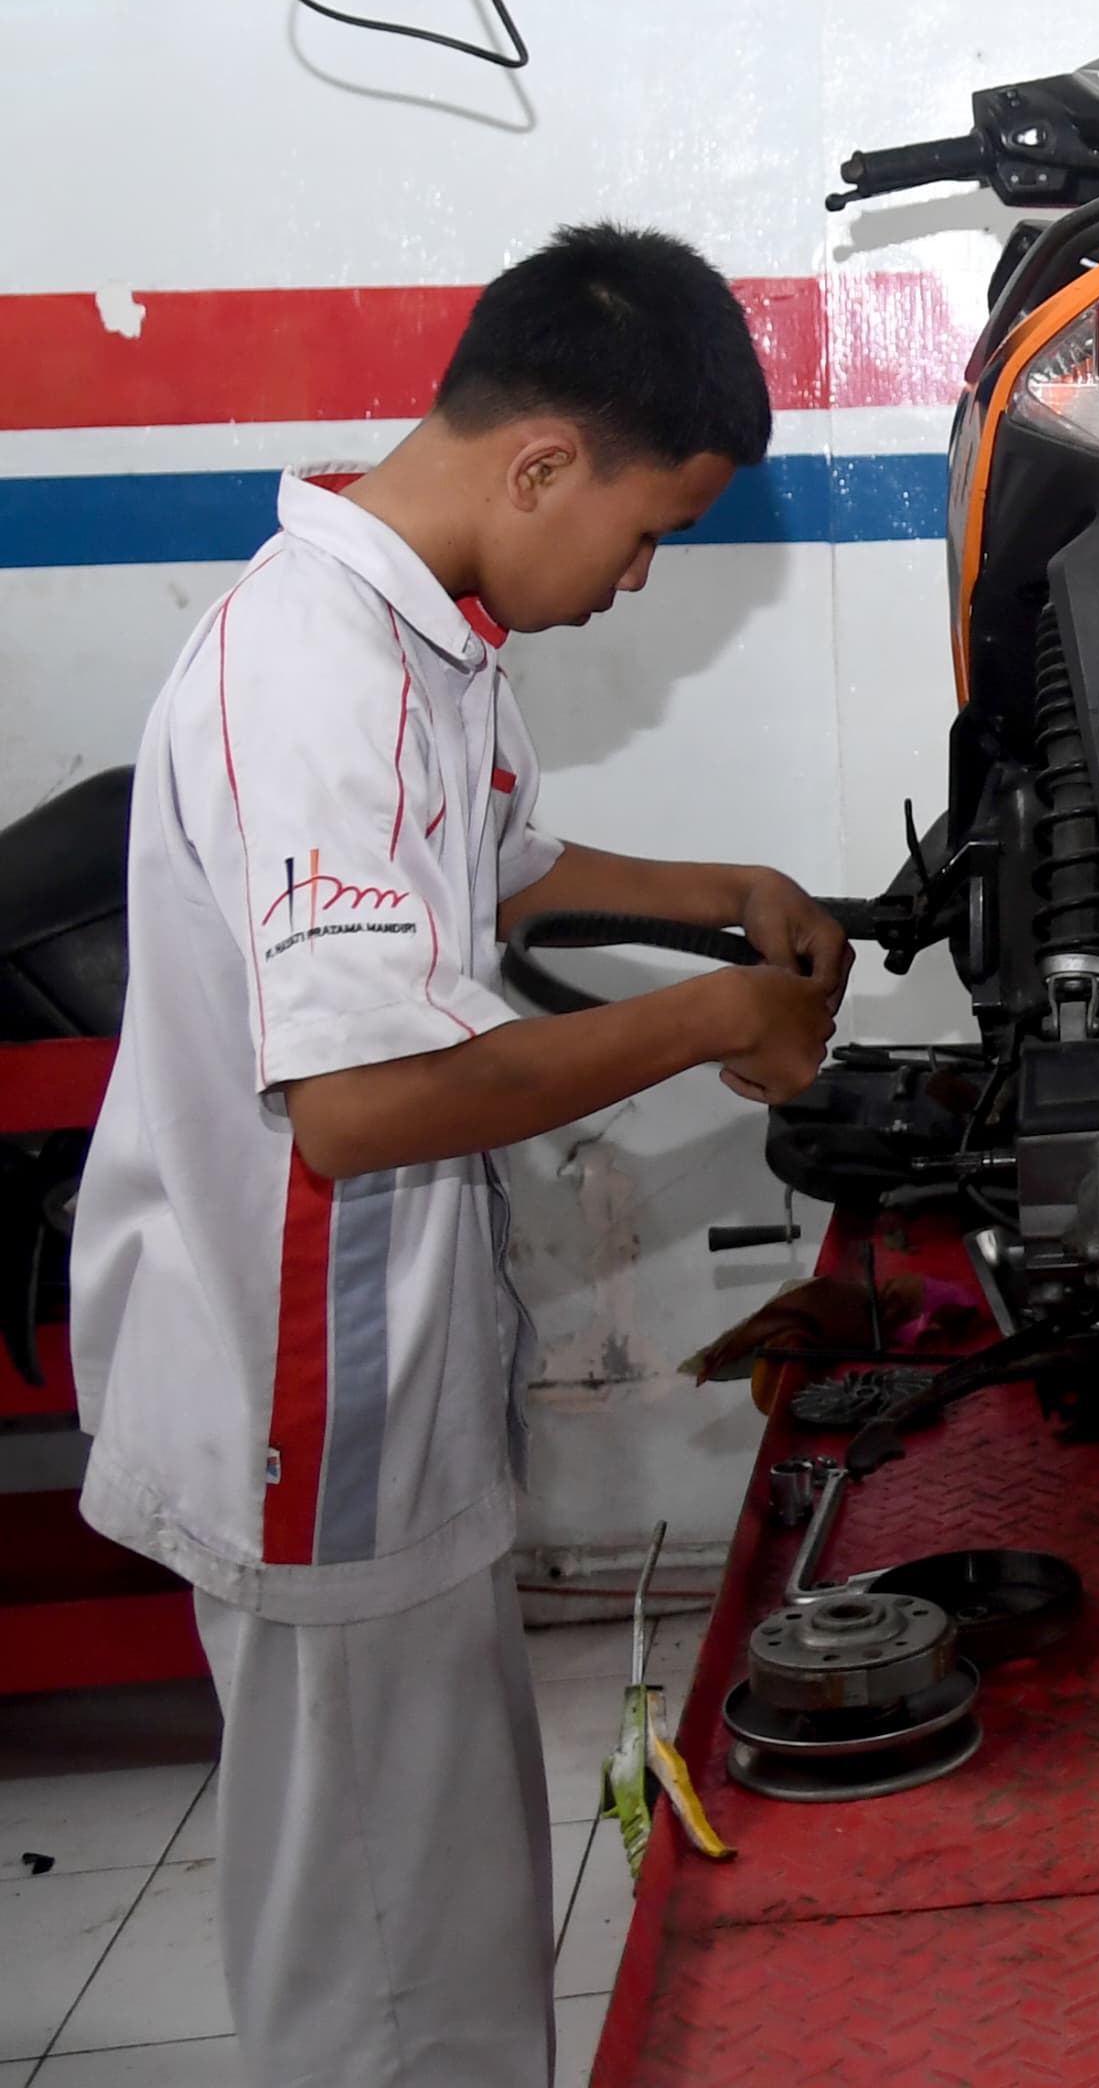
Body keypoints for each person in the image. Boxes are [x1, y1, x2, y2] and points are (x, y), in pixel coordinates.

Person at [68, 226, 849, 2088]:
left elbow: (489, 866)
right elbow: (363, 1103)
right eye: (647, 531)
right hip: (305, 1406)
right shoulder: (313, 667)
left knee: (452, 1901)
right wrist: (714, 1019)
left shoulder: (427, 629)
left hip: (384, 1385)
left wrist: (713, 898)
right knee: (383, 1967)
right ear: (542, 464)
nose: (638, 579)